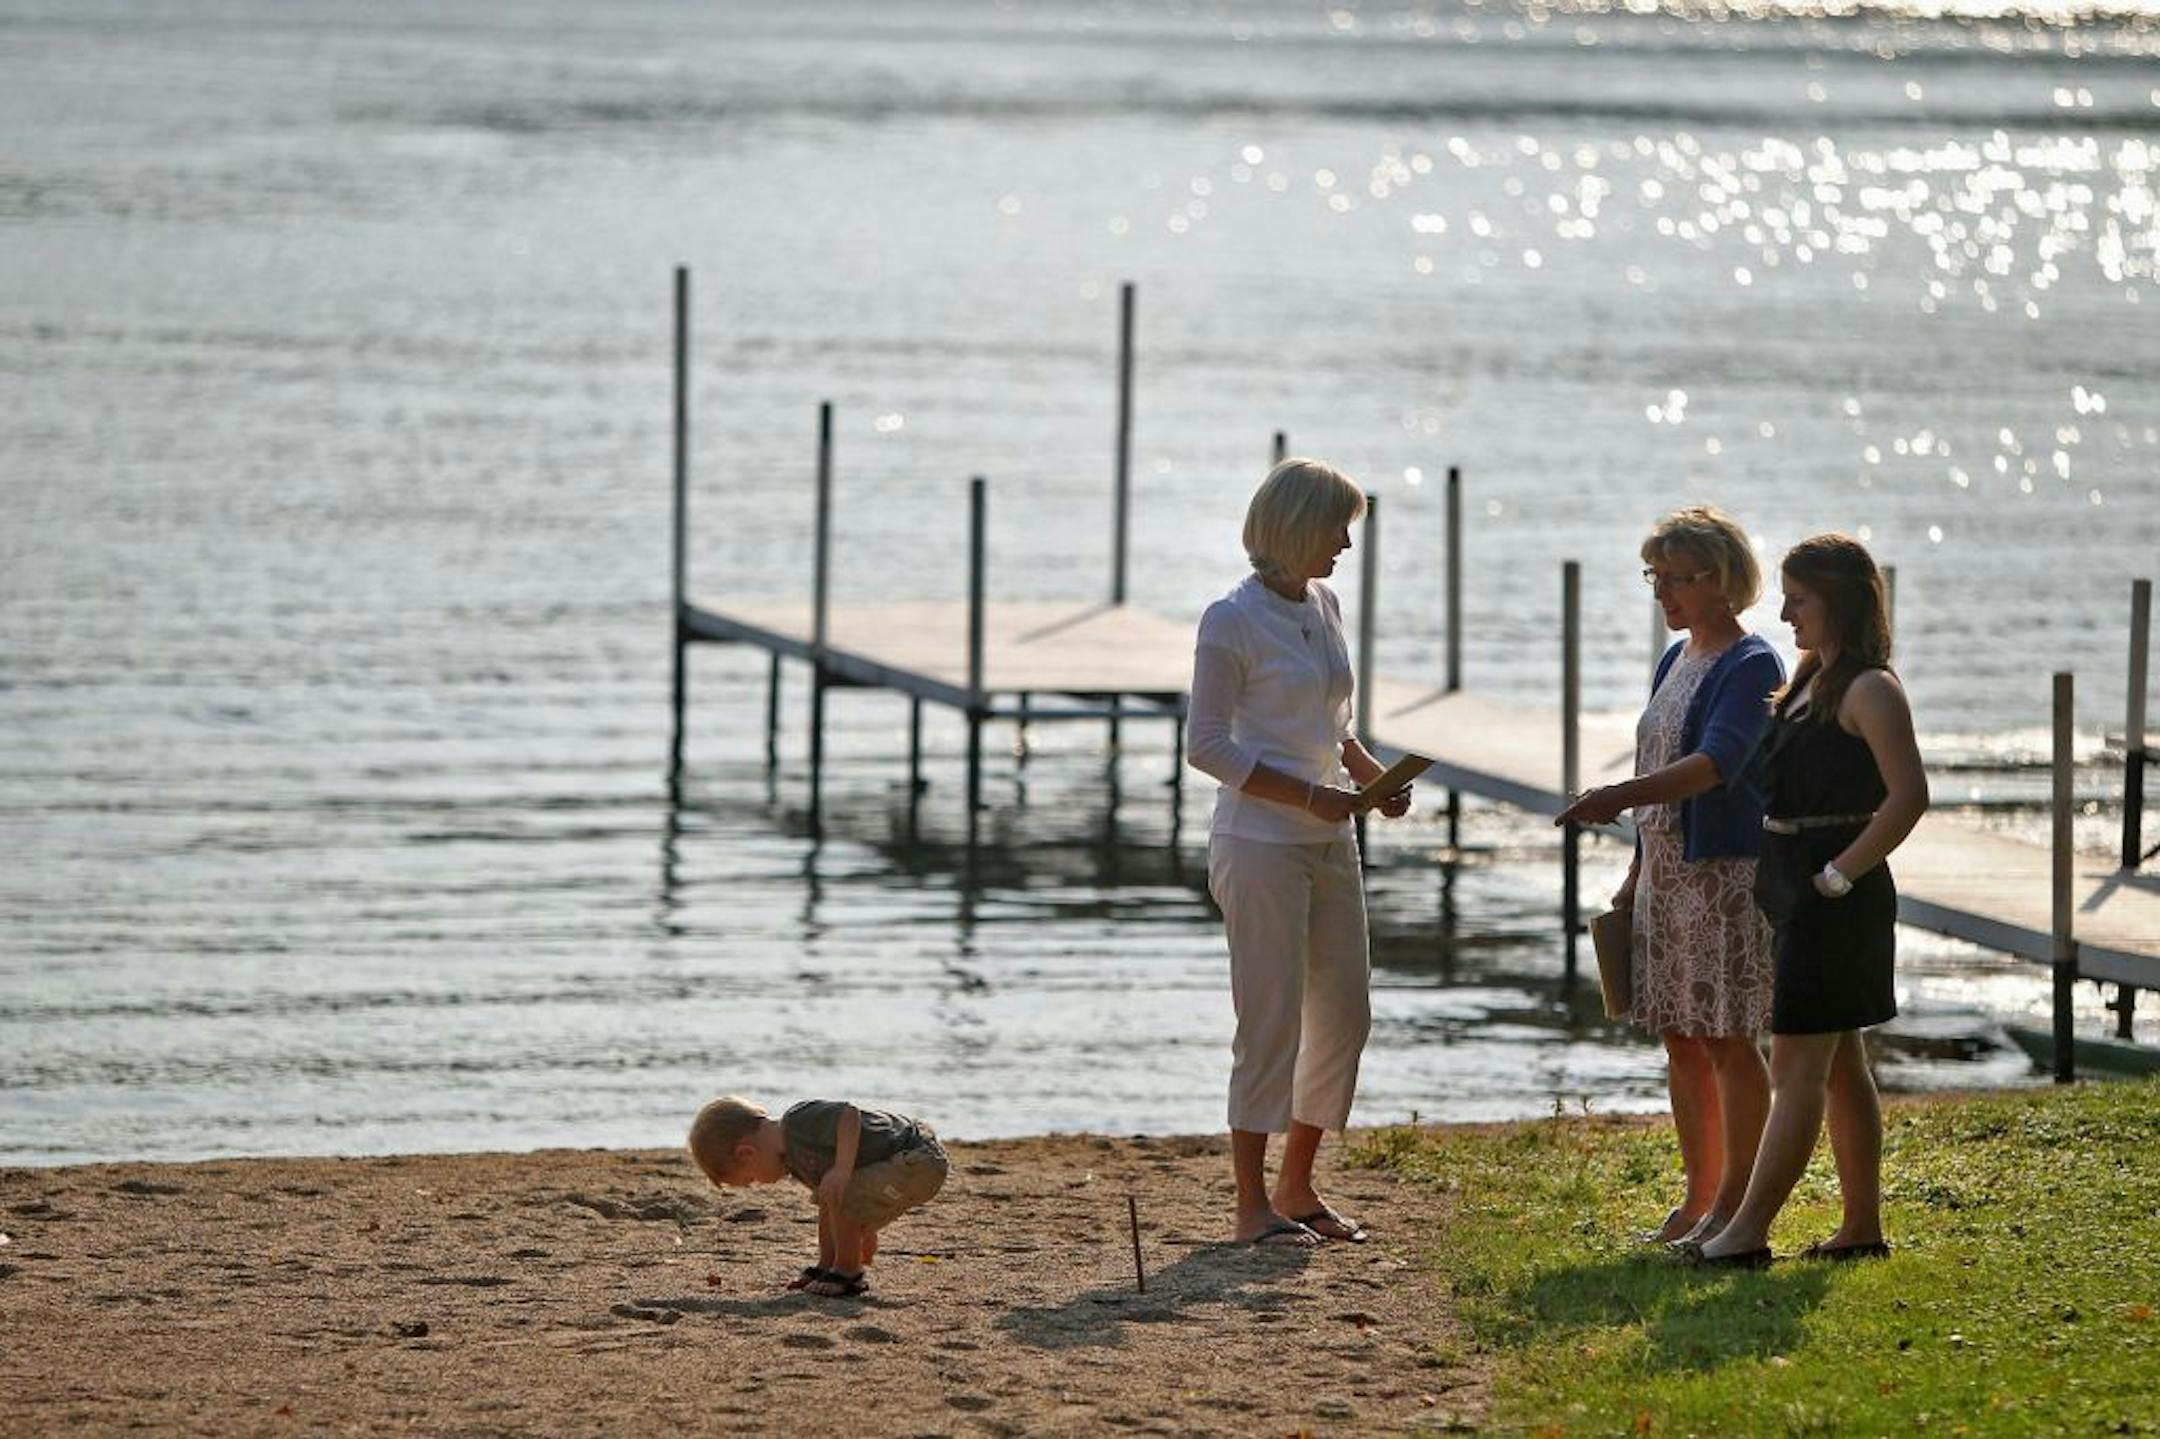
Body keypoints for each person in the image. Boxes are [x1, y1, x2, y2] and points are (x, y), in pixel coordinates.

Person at [1184, 458, 1414, 1249]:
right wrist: (1306, 795)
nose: (1346, 543)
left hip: (1331, 838)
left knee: (1345, 1015)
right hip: (1258, 844)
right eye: (1336, 528)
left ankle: (1299, 1184)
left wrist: (1369, 776)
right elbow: (1206, 745)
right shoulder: (1229, 618)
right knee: (1271, 1020)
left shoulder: (1325, 601)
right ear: (1296, 528)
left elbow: (1335, 725)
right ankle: (1252, 1204)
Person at [1691, 533, 1928, 1267]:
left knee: (1794, 1066)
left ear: (1841, 602)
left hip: (1836, 891)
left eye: (1800, 599)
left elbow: (1909, 797)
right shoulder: (1808, 680)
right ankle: (1861, 1225)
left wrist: (1840, 874)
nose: (1785, 611)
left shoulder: (1869, 688)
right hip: (1796, 884)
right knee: (1840, 1062)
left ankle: (1748, 1228)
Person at [1557, 506, 1784, 1247]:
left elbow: (1715, 765)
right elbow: (1660, 766)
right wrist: (1635, 865)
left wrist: (1614, 796)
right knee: (1681, 1038)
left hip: (1722, 876)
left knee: (1727, 1037)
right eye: (1657, 578)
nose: (1665, 593)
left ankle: (1737, 1204)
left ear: (1724, 583)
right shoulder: (1676, 656)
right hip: (1667, 873)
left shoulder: (1751, 665)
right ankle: (1698, 1198)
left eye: (1680, 579)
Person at [688, 1095, 948, 1296]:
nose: (760, 1184)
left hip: (919, 1157)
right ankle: (829, 1265)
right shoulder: (796, 1164)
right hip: (898, 1166)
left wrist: (842, 1169)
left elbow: (849, 1115)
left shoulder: (797, 1122)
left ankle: (848, 1273)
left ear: (746, 1153)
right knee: (829, 1196)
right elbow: (832, 1209)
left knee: (842, 1189)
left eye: (752, 1180)